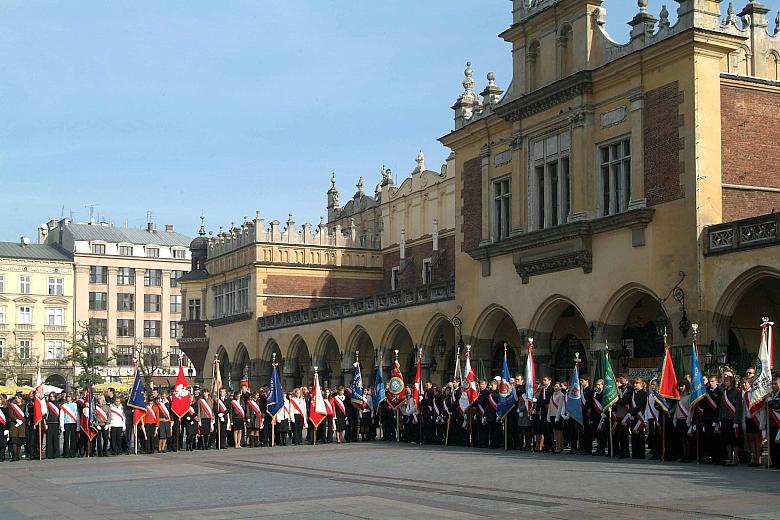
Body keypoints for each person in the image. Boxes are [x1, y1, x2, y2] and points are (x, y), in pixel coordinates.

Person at [718, 375, 741, 466]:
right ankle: (729, 458)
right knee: (727, 440)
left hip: (733, 419)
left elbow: (738, 407)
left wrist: (736, 421)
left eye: (727, 381)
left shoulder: (737, 392)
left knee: (734, 440)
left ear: (731, 382)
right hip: (725, 419)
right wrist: (720, 419)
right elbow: (721, 406)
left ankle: (735, 458)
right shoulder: (724, 392)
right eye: (725, 381)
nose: (725, 383)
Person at [740, 378, 764, 467]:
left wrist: (762, 422)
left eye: (753, 383)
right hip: (748, 419)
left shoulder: (758, 393)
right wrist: (743, 421)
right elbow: (744, 409)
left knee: (757, 440)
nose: (751, 384)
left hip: (756, 419)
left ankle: (758, 458)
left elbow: (761, 410)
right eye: (750, 383)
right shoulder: (746, 394)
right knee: (751, 439)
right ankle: (754, 458)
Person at [629, 378, 648, 460]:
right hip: (633, 416)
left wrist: (632, 412)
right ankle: (635, 453)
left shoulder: (644, 393)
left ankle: (641, 454)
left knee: (640, 436)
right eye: (634, 383)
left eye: (637, 383)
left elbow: (640, 405)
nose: (635, 384)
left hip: (640, 416)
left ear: (641, 384)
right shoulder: (633, 393)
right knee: (634, 435)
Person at [8, 395, 27, 462]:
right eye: (15, 398)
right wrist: (16, 420)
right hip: (14, 425)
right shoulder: (12, 406)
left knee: (19, 441)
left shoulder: (25, 406)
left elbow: (26, 414)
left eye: (18, 398)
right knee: (14, 440)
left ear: (21, 398)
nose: (16, 399)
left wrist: (22, 421)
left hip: (21, 425)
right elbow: (11, 414)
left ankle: (17, 456)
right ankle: (14, 457)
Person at [60, 393, 79, 458]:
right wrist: (62, 426)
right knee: (66, 438)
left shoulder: (75, 405)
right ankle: (66, 453)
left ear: (72, 398)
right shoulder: (64, 405)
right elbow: (61, 416)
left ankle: (72, 453)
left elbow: (77, 415)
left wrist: (78, 425)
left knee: (73, 439)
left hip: (73, 423)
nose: (68, 398)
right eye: (67, 397)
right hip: (66, 423)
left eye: (69, 397)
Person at [549, 382, 565, 454]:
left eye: (557, 386)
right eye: (554, 386)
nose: (555, 387)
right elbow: (550, 406)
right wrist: (548, 415)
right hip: (552, 414)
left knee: (559, 432)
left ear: (560, 387)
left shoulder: (561, 395)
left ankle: (560, 447)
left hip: (557, 415)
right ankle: (557, 446)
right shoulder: (552, 395)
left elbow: (560, 406)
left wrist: (557, 417)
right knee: (555, 431)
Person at [45, 392, 61, 459]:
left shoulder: (58, 404)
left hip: (56, 422)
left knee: (56, 439)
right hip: (49, 422)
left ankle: (56, 454)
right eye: (50, 396)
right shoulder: (47, 404)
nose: (51, 397)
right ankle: (49, 454)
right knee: (49, 439)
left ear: (55, 396)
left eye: (53, 396)